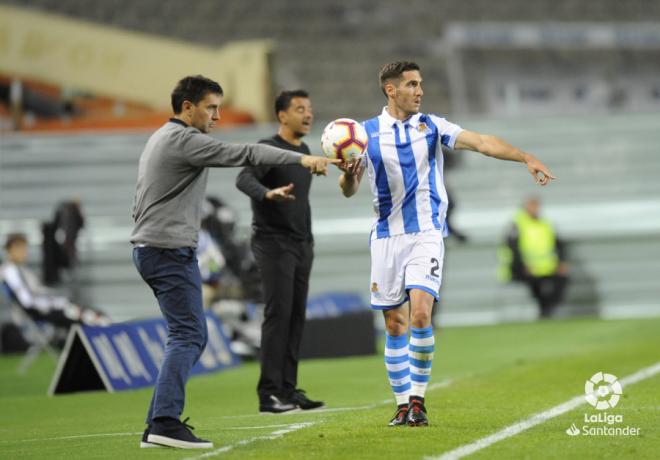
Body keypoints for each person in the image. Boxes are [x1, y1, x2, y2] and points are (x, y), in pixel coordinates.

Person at [337, 61, 555, 427]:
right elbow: (348, 191)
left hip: (427, 233)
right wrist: (346, 175)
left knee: (421, 313)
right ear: (391, 90)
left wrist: (525, 157)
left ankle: (418, 402)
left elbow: (483, 142)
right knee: (394, 324)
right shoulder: (364, 134)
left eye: (420, 84)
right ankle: (401, 404)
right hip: (387, 237)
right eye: (411, 84)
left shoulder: (432, 126)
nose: (419, 91)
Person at [130, 75, 334, 450]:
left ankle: (157, 422)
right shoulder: (183, 140)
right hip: (167, 251)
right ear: (187, 107)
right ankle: (163, 422)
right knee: (189, 335)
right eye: (211, 107)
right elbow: (248, 155)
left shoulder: (162, 137)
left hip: (157, 248)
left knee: (188, 334)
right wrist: (302, 157)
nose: (217, 116)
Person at [236, 90, 324, 414]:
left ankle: (288, 390)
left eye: (310, 108)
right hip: (273, 243)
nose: (308, 114)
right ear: (282, 116)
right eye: (300, 108)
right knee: (278, 315)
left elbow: (302, 201)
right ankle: (269, 394)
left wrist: (308, 239)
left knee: (296, 318)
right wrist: (267, 193)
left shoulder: (304, 151)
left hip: (301, 245)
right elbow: (243, 179)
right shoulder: (267, 148)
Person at [0, 233, 110, 332]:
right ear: (12, 249)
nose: (25, 253)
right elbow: (27, 301)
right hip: (42, 312)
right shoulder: (10, 271)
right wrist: (55, 302)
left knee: (90, 313)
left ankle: (100, 328)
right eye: (22, 249)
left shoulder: (22, 270)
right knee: (89, 317)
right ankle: (101, 331)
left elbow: (37, 292)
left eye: (25, 249)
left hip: (48, 307)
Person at [500, 196, 569, 318]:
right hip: (523, 267)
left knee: (562, 280)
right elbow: (513, 249)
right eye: (532, 206)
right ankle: (544, 309)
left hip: (546, 266)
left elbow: (559, 244)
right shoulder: (517, 224)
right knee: (533, 282)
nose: (535, 209)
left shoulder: (546, 223)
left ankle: (547, 308)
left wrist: (562, 262)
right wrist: (524, 266)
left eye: (536, 206)